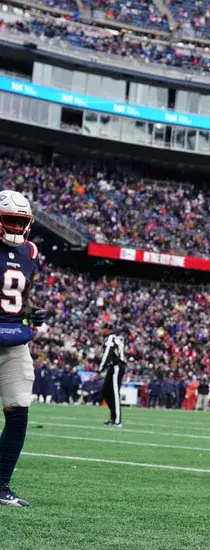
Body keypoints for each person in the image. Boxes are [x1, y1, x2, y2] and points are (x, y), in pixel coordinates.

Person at [0, 191, 46, 507]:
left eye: (21, 221)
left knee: (18, 414)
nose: (16, 227)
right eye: (10, 220)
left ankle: (1, 485)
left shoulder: (30, 251)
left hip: (14, 341)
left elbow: (22, 295)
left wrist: (31, 312)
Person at [99, 332, 126, 426]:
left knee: (115, 393)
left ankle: (117, 420)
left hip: (117, 366)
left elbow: (107, 353)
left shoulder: (111, 338)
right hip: (112, 366)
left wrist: (100, 368)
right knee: (105, 392)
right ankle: (113, 416)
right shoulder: (114, 339)